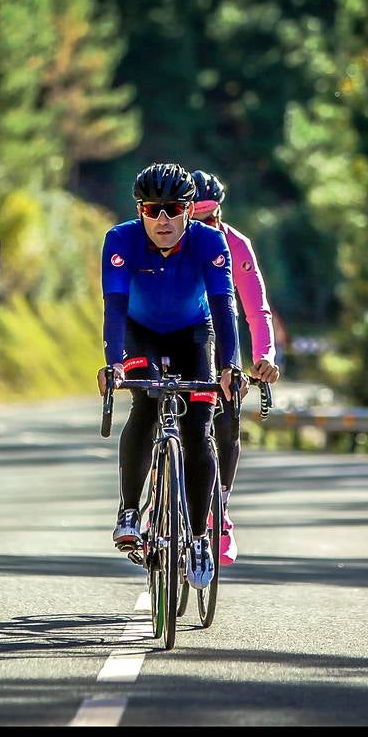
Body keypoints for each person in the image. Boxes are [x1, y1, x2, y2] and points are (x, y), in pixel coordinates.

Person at [97, 162, 242, 590]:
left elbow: (224, 307)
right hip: (140, 332)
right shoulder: (120, 240)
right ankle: (128, 509)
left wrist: (231, 366)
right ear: (140, 210)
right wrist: (115, 361)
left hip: (194, 332)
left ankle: (199, 537)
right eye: (152, 209)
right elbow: (114, 308)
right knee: (144, 404)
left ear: (188, 210)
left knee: (199, 428)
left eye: (173, 209)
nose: (163, 220)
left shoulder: (210, 241)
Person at [190, 170, 281, 565]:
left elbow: (256, 310)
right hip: (178, 336)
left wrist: (264, 356)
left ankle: (220, 506)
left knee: (226, 417)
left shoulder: (235, 245)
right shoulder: (166, 242)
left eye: (211, 218)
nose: (204, 226)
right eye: (195, 218)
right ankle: (157, 489)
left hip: (221, 344)